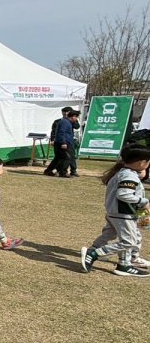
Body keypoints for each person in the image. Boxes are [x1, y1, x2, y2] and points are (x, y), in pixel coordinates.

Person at [80, 145, 150, 277]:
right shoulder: (128, 176)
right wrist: (144, 202)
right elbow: (123, 194)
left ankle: (124, 264)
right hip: (123, 214)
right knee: (129, 242)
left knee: (112, 235)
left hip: (117, 213)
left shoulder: (125, 173)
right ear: (142, 162)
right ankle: (94, 254)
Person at [44, 106, 73, 176]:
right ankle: (61, 172)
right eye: (64, 112)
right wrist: (53, 140)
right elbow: (54, 131)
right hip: (60, 142)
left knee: (59, 158)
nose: (65, 113)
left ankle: (50, 170)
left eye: (67, 112)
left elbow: (77, 126)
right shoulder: (58, 121)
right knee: (66, 158)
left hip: (67, 141)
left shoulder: (71, 121)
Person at [67, 110, 81, 177]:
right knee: (63, 157)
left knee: (72, 156)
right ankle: (62, 171)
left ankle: (73, 170)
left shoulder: (73, 121)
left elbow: (77, 126)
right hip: (65, 141)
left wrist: (75, 120)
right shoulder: (62, 121)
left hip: (70, 140)